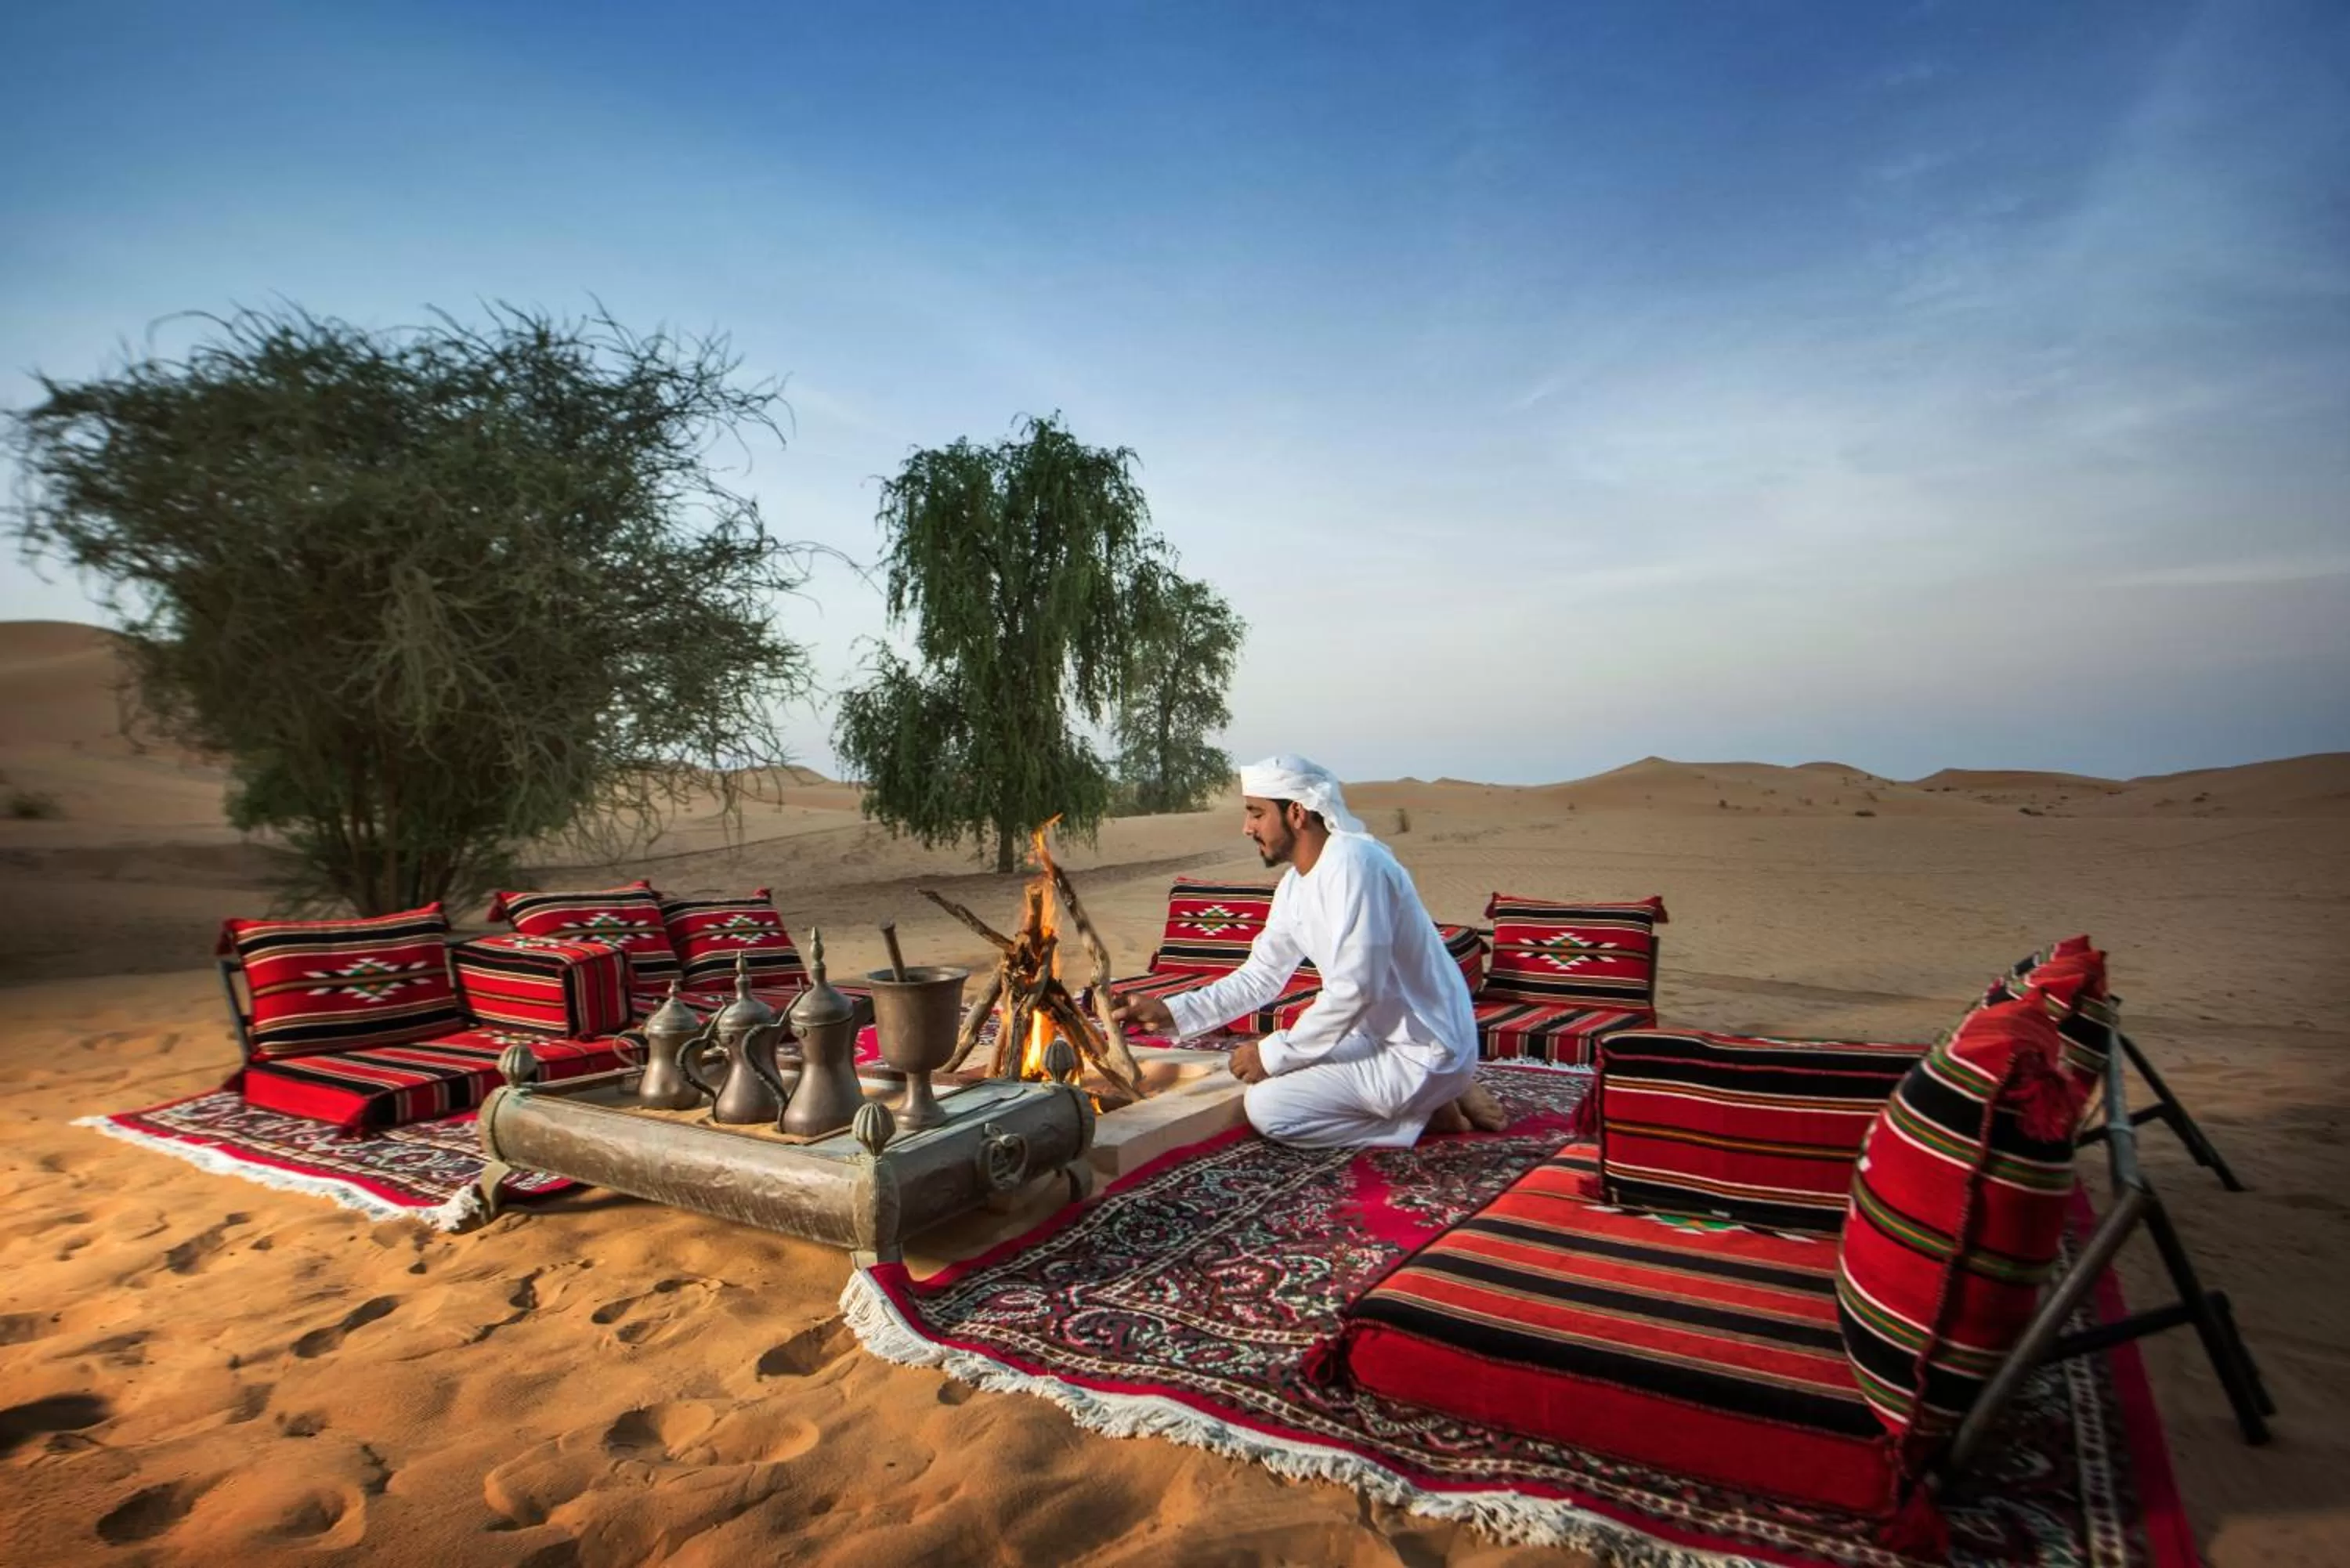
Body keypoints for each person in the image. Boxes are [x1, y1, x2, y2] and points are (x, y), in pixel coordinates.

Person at [1112, 755, 1509, 1149]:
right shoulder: (1294, 886)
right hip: (1374, 1035)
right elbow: (1260, 977)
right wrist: (1170, 1011)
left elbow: (1356, 989)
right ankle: (1437, 1096)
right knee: (1285, 1062)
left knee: (1269, 1107)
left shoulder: (1355, 864)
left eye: (1256, 813)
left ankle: (1424, 1110)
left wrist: (1271, 1054)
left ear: (1297, 813)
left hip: (1421, 1051)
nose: (1247, 828)